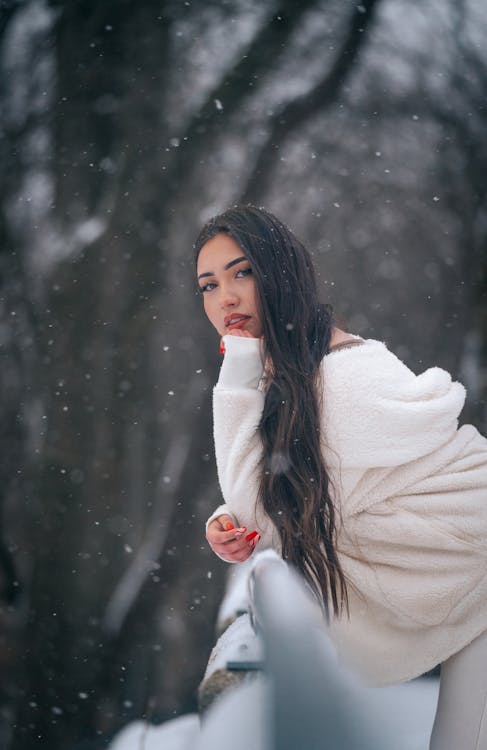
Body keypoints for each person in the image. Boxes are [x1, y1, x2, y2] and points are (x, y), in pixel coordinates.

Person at [194, 205, 487, 749]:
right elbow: (290, 488)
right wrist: (226, 517)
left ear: (279, 272)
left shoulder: (343, 378)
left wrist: (234, 369)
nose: (225, 298)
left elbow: (263, 503)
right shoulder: (301, 369)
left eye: (242, 272)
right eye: (209, 285)